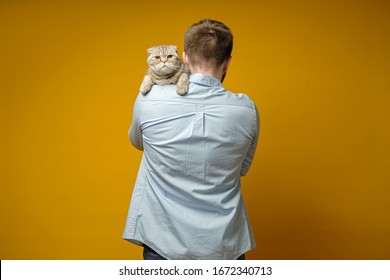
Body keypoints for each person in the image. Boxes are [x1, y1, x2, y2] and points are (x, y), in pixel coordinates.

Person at [122, 19, 260, 260]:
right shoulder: (246, 110)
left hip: (162, 243)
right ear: (227, 62)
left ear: (184, 57)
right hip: (224, 246)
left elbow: (137, 142)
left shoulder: (147, 99)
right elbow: (242, 168)